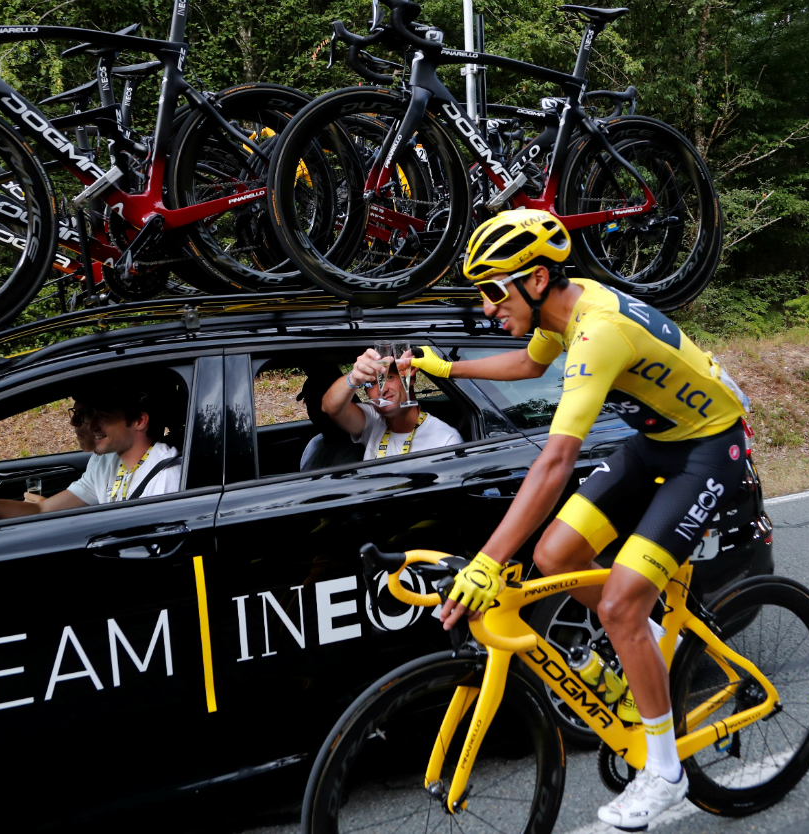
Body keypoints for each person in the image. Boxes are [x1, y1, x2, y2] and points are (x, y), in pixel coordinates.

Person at [418, 209, 751, 831]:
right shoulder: (564, 308)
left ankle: (666, 774)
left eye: (492, 290)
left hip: (709, 447)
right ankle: (647, 645)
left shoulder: (597, 332)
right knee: (553, 555)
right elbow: (528, 366)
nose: (487, 307)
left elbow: (556, 460)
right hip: (656, 440)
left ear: (537, 279)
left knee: (621, 603)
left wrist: (489, 560)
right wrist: (448, 369)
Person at [0, 382, 183, 518]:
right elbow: (41, 510)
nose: (89, 425)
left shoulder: (165, 474)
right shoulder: (105, 464)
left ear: (139, 421)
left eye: (102, 416)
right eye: (89, 416)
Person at [322, 348, 462, 460]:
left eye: (388, 377)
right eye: (372, 384)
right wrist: (353, 377)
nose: (381, 390)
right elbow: (330, 407)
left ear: (410, 379)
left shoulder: (445, 440)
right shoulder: (373, 420)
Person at [24, 399, 98, 503]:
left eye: (84, 414)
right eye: (74, 412)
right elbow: (43, 509)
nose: (72, 422)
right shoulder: (99, 460)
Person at [297, 365, 364, 471]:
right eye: (308, 403)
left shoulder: (351, 451)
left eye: (318, 403)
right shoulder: (313, 443)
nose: (312, 411)